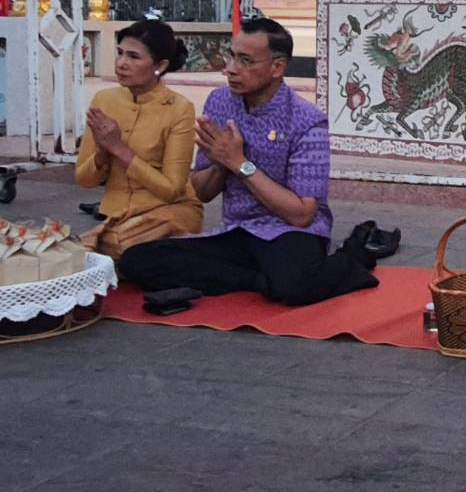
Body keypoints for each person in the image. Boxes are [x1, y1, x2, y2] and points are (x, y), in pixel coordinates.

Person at [119, 18, 378, 305]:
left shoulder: (307, 121)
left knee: (293, 286)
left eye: (245, 61)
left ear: (277, 67)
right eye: (231, 56)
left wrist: (240, 164)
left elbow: (302, 214)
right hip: (238, 230)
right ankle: (258, 281)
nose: (231, 69)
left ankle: (351, 259)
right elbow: (202, 193)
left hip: (289, 232)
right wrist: (220, 162)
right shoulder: (220, 102)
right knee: (136, 260)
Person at [74, 20, 203, 258]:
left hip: (168, 211)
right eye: (120, 53)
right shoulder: (104, 100)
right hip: (116, 216)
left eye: (134, 57)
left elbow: (172, 190)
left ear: (160, 66)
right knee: (98, 247)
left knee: (113, 246)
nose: (122, 63)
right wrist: (103, 152)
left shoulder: (179, 108)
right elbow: (85, 180)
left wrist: (119, 149)